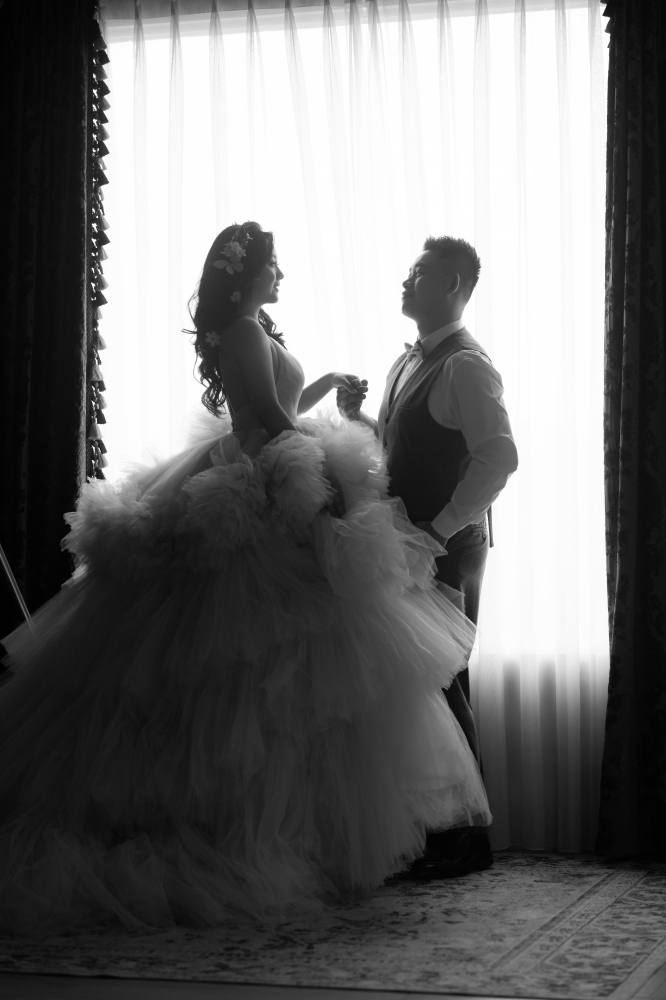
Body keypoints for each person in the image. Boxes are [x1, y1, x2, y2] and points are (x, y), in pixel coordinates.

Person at [0, 222, 491, 933]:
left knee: (292, 659)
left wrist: (323, 391)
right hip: (256, 480)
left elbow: (276, 400)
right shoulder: (241, 329)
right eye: (273, 265)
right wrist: (328, 478)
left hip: (266, 464)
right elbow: (268, 415)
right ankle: (233, 828)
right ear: (246, 274)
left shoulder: (251, 327)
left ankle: (319, 831)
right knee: (250, 655)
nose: (281, 275)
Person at [337, 236, 518, 879]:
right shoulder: (408, 361)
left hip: (447, 549)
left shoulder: (467, 366)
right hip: (410, 545)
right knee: (424, 685)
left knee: (444, 679)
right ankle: (441, 831)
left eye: (418, 273)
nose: (405, 280)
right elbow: (402, 450)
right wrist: (358, 419)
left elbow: (499, 458)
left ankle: (468, 840)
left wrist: (437, 532)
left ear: (452, 285)